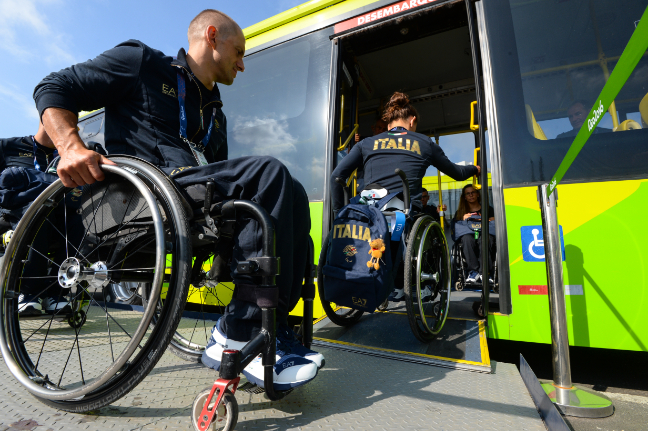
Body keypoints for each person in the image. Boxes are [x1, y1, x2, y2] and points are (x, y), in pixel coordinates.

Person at [33, 9, 321, 391]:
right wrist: (69, 146)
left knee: (292, 191)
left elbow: (225, 184)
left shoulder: (215, 114)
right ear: (212, 37)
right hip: (141, 196)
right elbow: (53, 86)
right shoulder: (142, 63)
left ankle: (271, 329)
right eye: (239, 52)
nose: (243, 65)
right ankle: (239, 332)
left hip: (190, 197)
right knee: (269, 173)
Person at [330, 92, 479, 302]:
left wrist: (339, 214)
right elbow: (456, 173)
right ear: (412, 121)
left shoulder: (366, 143)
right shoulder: (425, 143)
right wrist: (475, 168)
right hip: (403, 213)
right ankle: (411, 283)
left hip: (367, 213)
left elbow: (337, 177)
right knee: (416, 223)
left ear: (388, 122)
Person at [0, 122, 66, 316]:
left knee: (78, 221)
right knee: (38, 215)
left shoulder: (65, 155)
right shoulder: (7, 146)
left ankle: (55, 293)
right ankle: (29, 292)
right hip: (13, 213)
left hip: (57, 214)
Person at [453, 184, 495, 283]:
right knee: (467, 239)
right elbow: (457, 230)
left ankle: (485, 272)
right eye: (468, 194)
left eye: (473, 192)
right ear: (465, 197)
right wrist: (464, 219)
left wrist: (490, 219)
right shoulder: (460, 212)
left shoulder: (488, 209)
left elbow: (493, 224)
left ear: (477, 194)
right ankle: (473, 271)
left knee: (486, 238)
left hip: (484, 235)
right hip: (469, 238)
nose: (471, 195)